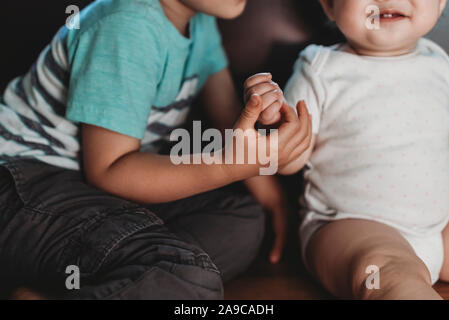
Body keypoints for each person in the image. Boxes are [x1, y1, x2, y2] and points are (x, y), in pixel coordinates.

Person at [0, 0, 312, 299]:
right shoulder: (127, 24)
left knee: (241, 219)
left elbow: (225, 115)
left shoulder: (200, 21)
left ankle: (125, 279)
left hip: (94, 193)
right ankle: (167, 273)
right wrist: (234, 165)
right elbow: (109, 171)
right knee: (190, 276)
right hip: (26, 184)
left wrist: (271, 194)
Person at [254, 0, 449, 299]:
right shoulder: (320, 69)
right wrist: (278, 132)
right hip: (348, 226)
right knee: (387, 272)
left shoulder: (439, 63)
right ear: (330, 5)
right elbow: (288, 162)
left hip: (437, 226)